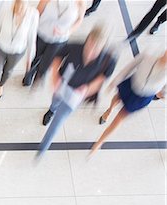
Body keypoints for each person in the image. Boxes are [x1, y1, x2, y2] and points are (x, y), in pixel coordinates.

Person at [38, 25, 116, 157]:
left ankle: (43, 148)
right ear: (87, 39)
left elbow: (102, 78)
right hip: (63, 84)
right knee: (55, 101)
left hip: (77, 95)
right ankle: (51, 110)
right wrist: (55, 76)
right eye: (89, 46)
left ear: (102, 47)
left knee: (58, 121)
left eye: (95, 49)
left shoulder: (109, 61)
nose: (90, 52)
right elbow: (57, 56)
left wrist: (87, 89)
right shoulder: (75, 47)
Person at [90, 50, 167, 154]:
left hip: (141, 97)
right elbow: (128, 68)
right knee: (117, 98)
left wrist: (159, 92)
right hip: (131, 85)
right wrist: (114, 82)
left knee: (119, 119)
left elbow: (163, 93)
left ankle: (100, 141)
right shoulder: (147, 56)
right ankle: (109, 110)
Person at [22, 0, 85, 87]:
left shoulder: (80, 2)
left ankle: (39, 78)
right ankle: (28, 75)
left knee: (46, 63)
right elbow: (38, 13)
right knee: (34, 57)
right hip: (41, 33)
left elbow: (79, 20)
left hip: (59, 40)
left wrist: (68, 32)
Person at [0, 0, 39, 100]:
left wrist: (29, 58)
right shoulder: (5, 10)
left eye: (22, 8)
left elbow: (32, 38)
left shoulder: (33, 15)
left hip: (17, 51)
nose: (18, 10)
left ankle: (1, 85)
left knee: (8, 71)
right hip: (1, 46)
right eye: (17, 6)